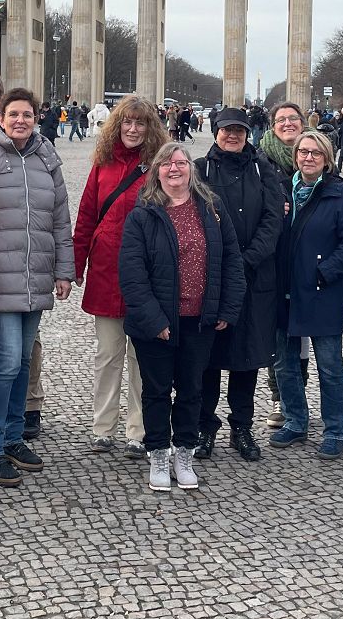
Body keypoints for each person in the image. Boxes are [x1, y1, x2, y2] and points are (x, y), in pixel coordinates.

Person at [119, 142, 245, 490]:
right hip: (158, 321)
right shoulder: (142, 214)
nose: (174, 169)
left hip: (199, 318)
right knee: (156, 391)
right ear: (156, 172)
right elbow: (132, 273)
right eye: (166, 164)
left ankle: (184, 451)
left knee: (193, 389)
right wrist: (153, 320)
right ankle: (158, 452)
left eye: (180, 162)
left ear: (191, 168)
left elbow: (231, 260)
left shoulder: (211, 208)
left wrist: (227, 308)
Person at [0, 88, 74, 487]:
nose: (20, 121)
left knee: (24, 362)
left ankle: (12, 437)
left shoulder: (48, 159)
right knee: (7, 361)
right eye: (13, 114)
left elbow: (61, 219)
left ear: (36, 117)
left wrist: (64, 271)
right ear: (1, 118)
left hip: (36, 275)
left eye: (27, 115)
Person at [73, 94, 170, 456]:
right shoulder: (104, 162)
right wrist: (76, 261)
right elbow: (86, 214)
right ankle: (103, 427)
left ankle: (138, 430)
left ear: (150, 128)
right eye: (127, 122)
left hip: (148, 273)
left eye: (140, 123)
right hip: (106, 268)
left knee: (142, 357)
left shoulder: (160, 166)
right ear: (117, 125)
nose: (133, 129)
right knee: (108, 353)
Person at [193, 108, 284, 463]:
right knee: (209, 358)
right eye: (227, 130)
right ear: (215, 131)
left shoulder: (264, 170)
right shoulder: (200, 169)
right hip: (212, 277)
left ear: (249, 134)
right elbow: (193, 217)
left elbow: (272, 220)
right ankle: (205, 426)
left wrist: (247, 260)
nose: (233, 136)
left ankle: (241, 427)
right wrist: (226, 261)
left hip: (254, 276)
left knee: (247, 358)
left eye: (240, 131)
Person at [270, 129, 343, 460]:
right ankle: (296, 421)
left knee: (329, 364)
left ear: (327, 159)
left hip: (323, 289)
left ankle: (335, 428)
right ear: (295, 157)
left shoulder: (339, 193)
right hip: (284, 288)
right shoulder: (281, 190)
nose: (308, 158)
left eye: (316, 153)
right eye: (303, 152)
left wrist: (325, 272)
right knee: (284, 362)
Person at [258, 101, 309, 427]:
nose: (287, 123)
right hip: (274, 258)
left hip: (309, 260)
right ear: (272, 124)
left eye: (293, 119)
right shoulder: (261, 160)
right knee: (276, 333)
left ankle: (298, 396)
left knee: (305, 337)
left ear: (303, 123)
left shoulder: (317, 154)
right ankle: (280, 398)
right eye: (281, 119)